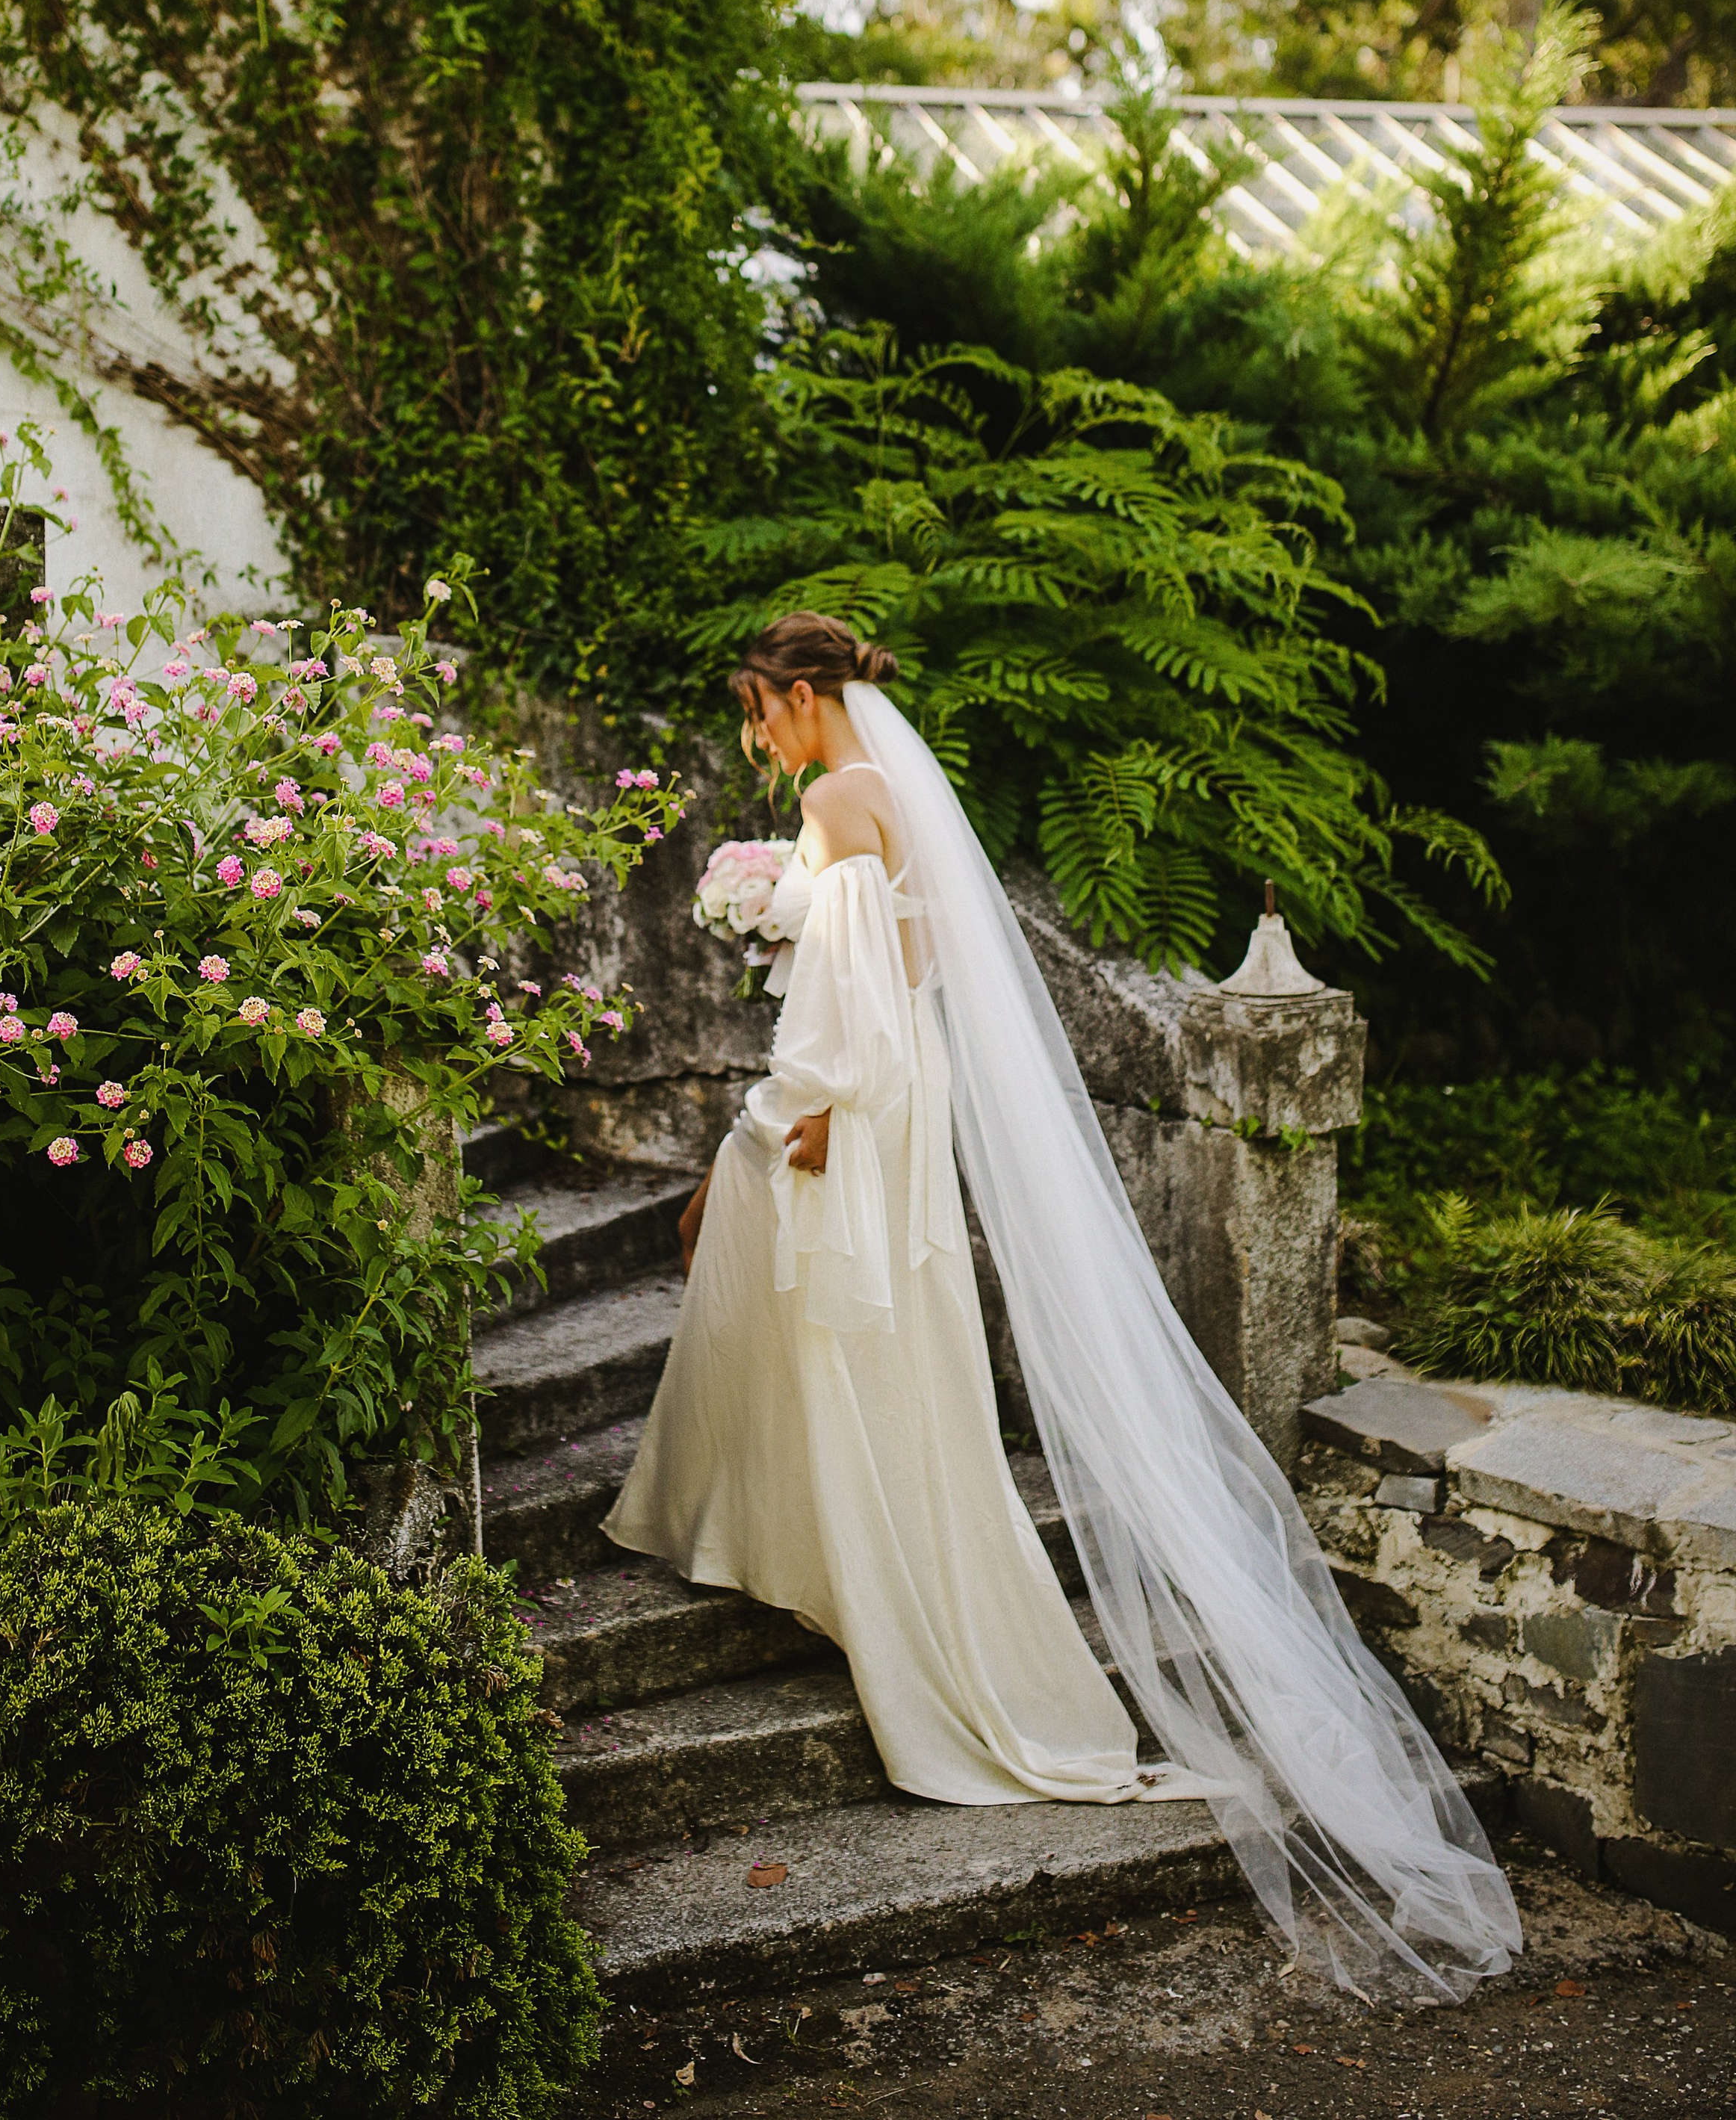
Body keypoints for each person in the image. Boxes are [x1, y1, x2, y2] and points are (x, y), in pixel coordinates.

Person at [604, 613, 1520, 2001]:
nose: (756, 735)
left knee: (778, 1277)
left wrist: (796, 1109)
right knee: (854, 1329)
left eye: (759, 709)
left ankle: (831, 1562)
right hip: (898, 1089)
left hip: (848, 1100)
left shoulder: (838, 797)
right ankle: (817, 1541)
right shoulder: (894, 792)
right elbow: (909, 969)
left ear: (799, 695)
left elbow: (849, 1004)